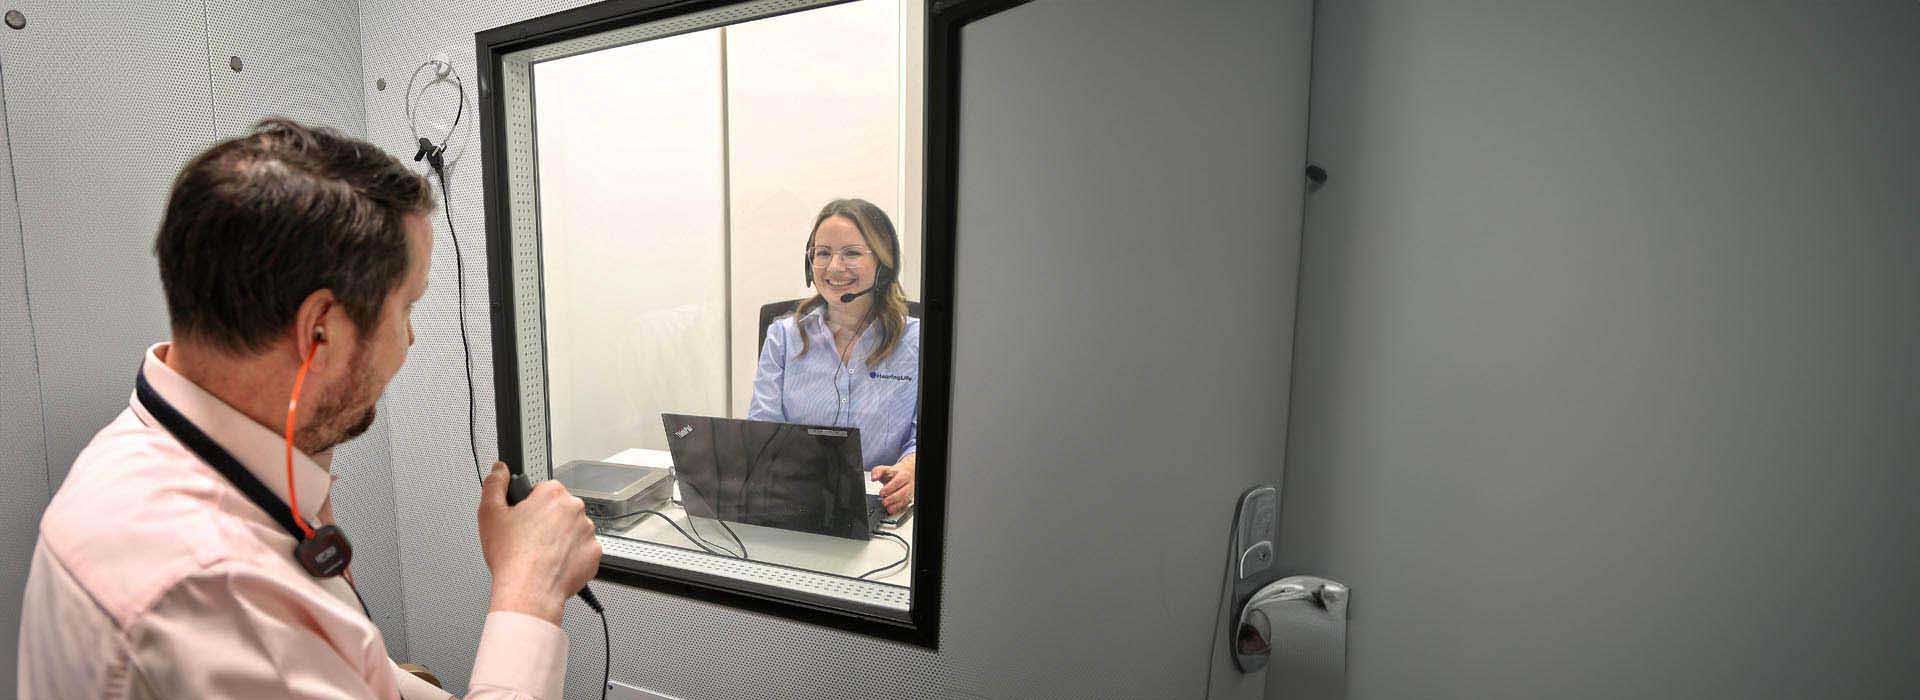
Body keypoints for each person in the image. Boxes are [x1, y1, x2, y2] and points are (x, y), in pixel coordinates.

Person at [16, 118, 602, 699]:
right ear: (320, 332)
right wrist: (529, 591)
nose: (411, 340)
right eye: (407, 308)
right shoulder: (216, 592)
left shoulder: (151, 452)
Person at [748, 198, 919, 516]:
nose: (834, 267)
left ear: (884, 264)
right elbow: (763, 431)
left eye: (851, 253)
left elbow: (926, 436)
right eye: (823, 253)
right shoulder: (784, 336)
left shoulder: (919, 341)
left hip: (883, 507)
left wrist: (911, 469)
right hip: (796, 501)